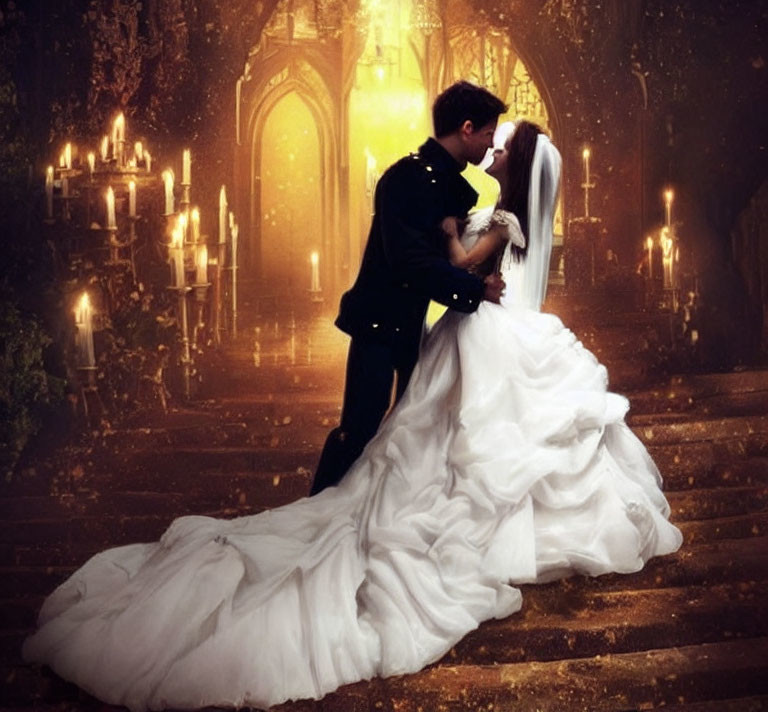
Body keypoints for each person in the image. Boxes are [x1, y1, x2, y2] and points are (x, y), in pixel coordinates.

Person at [23, 121, 682, 712]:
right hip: (483, 330)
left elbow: (462, 268)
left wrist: (452, 234)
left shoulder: (505, 221)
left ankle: (454, 523)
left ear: (520, 163)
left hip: (487, 334)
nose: (495, 150)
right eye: (494, 140)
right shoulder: (503, 212)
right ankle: (449, 514)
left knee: (464, 445)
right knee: (454, 443)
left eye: (504, 148)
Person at [310, 80, 508, 495]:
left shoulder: (442, 181)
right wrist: (473, 291)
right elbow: (411, 261)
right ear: (467, 128)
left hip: (410, 324)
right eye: (488, 134)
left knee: (408, 428)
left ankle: (384, 509)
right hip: (379, 322)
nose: (490, 145)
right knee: (361, 428)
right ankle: (319, 507)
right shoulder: (406, 178)